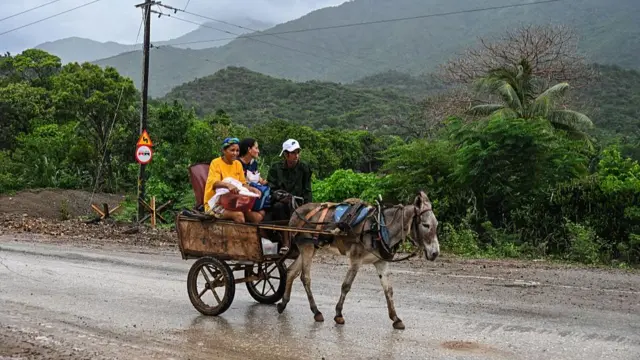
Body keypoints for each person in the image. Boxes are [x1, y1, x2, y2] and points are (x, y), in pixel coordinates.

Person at [203, 137, 264, 223]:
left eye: (237, 150)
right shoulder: (216, 163)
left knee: (257, 217)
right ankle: (236, 236)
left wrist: (252, 189)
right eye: (232, 150)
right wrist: (228, 185)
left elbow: (243, 184)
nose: (235, 153)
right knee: (239, 216)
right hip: (214, 205)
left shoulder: (237, 164)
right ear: (224, 151)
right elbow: (214, 183)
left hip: (233, 203)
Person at [267, 138, 313, 222]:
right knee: (278, 207)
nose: (296, 155)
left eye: (298, 152)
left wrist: (307, 206)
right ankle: (284, 233)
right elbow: (271, 188)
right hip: (280, 203)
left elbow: (307, 190)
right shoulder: (276, 168)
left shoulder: (304, 168)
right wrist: (282, 196)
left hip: (299, 203)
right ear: (286, 154)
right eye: (293, 153)